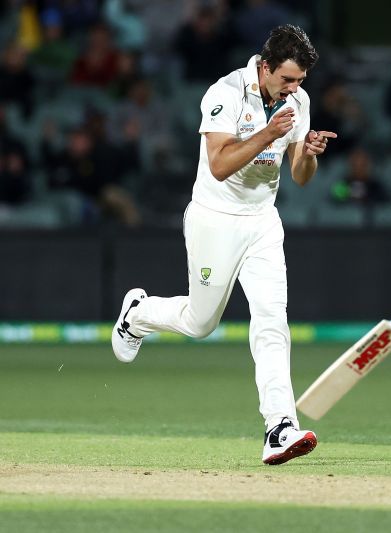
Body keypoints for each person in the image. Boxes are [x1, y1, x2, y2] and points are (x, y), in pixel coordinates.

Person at [111, 25, 336, 466]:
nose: (294, 89)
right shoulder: (225, 92)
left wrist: (306, 151)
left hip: (263, 223)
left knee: (272, 321)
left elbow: (299, 176)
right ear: (266, 66)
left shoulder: (298, 101)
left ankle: (279, 427)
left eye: (301, 82)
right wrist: (270, 134)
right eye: (288, 79)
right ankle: (137, 315)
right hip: (215, 220)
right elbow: (218, 165)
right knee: (200, 323)